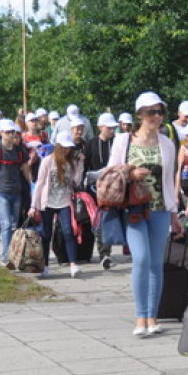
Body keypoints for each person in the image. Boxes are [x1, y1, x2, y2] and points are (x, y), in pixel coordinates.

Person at [105, 92, 179, 335]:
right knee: (141, 258)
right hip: (133, 209)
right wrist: (131, 173)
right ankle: (140, 317)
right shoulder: (123, 141)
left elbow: (169, 181)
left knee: (156, 262)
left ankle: (152, 318)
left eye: (159, 112)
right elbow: (110, 172)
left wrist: (174, 212)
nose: (156, 117)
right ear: (139, 115)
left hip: (159, 208)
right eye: (150, 112)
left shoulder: (167, 143)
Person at [30, 132, 84, 278]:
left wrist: (80, 164)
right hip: (48, 202)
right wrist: (33, 206)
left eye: (69, 147)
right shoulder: (48, 161)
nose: (67, 150)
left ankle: (73, 264)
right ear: (58, 147)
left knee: (68, 231)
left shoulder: (71, 162)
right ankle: (45, 266)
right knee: (46, 234)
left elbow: (76, 181)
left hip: (64, 201)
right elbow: (40, 184)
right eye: (64, 147)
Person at [0, 119, 32, 264]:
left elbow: (27, 173)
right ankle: (6, 257)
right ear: (1, 133)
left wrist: (34, 190)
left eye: (13, 132)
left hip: (17, 193)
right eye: (8, 132)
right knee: (6, 224)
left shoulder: (20, 152)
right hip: (1, 193)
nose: (11, 135)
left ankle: (13, 254)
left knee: (14, 225)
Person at [88, 112, 119, 268]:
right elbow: (85, 165)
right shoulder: (91, 144)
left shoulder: (117, 143)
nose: (112, 131)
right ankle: (104, 253)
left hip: (114, 188)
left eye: (113, 128)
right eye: (109, 128)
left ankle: (106, 252)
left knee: (109, 219)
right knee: (100, 220)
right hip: (95, 188)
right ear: (100, 127)